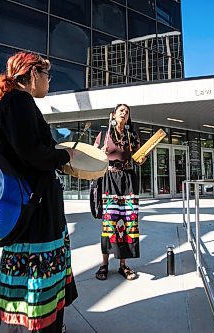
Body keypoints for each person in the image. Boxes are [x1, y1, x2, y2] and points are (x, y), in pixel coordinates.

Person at [0, 51, 77, 333]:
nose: (49, 81)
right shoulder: (19, 101)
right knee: (38, 271)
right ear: (32, 75)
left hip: (30, 205)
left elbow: (27, 151)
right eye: (47, 75)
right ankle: (42, 326)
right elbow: (32, 154)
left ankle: (31, 324)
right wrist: (64, 156)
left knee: (27, 271)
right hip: (36, 210)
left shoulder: (14, 102)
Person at [93, 104, 143, 281]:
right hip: (110, 179)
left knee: (128, 221)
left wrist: (141, 158)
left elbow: (138, 158)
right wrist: (100, 152)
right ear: (113, 114)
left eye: (127, 112)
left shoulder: (132, 136)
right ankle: (104, 263)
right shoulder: (104, 135)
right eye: (121, 111)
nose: (124, 113)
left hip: (128, 180)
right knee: (110, 221)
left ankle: (123, 264)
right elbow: (94, 156)